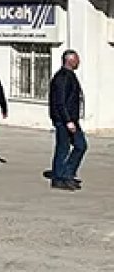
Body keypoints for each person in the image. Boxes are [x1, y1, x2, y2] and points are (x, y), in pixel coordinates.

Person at [48, 49, 86, 191]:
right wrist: (68, 120)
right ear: (70, 60)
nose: (78, 62)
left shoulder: (70, 75)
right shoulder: (62, 77)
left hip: (71, 119)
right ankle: (58, 178)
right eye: (77, 59)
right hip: (65, 120)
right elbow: (60, 102)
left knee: (80, 145)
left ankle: (67, 174)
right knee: (63, 148)